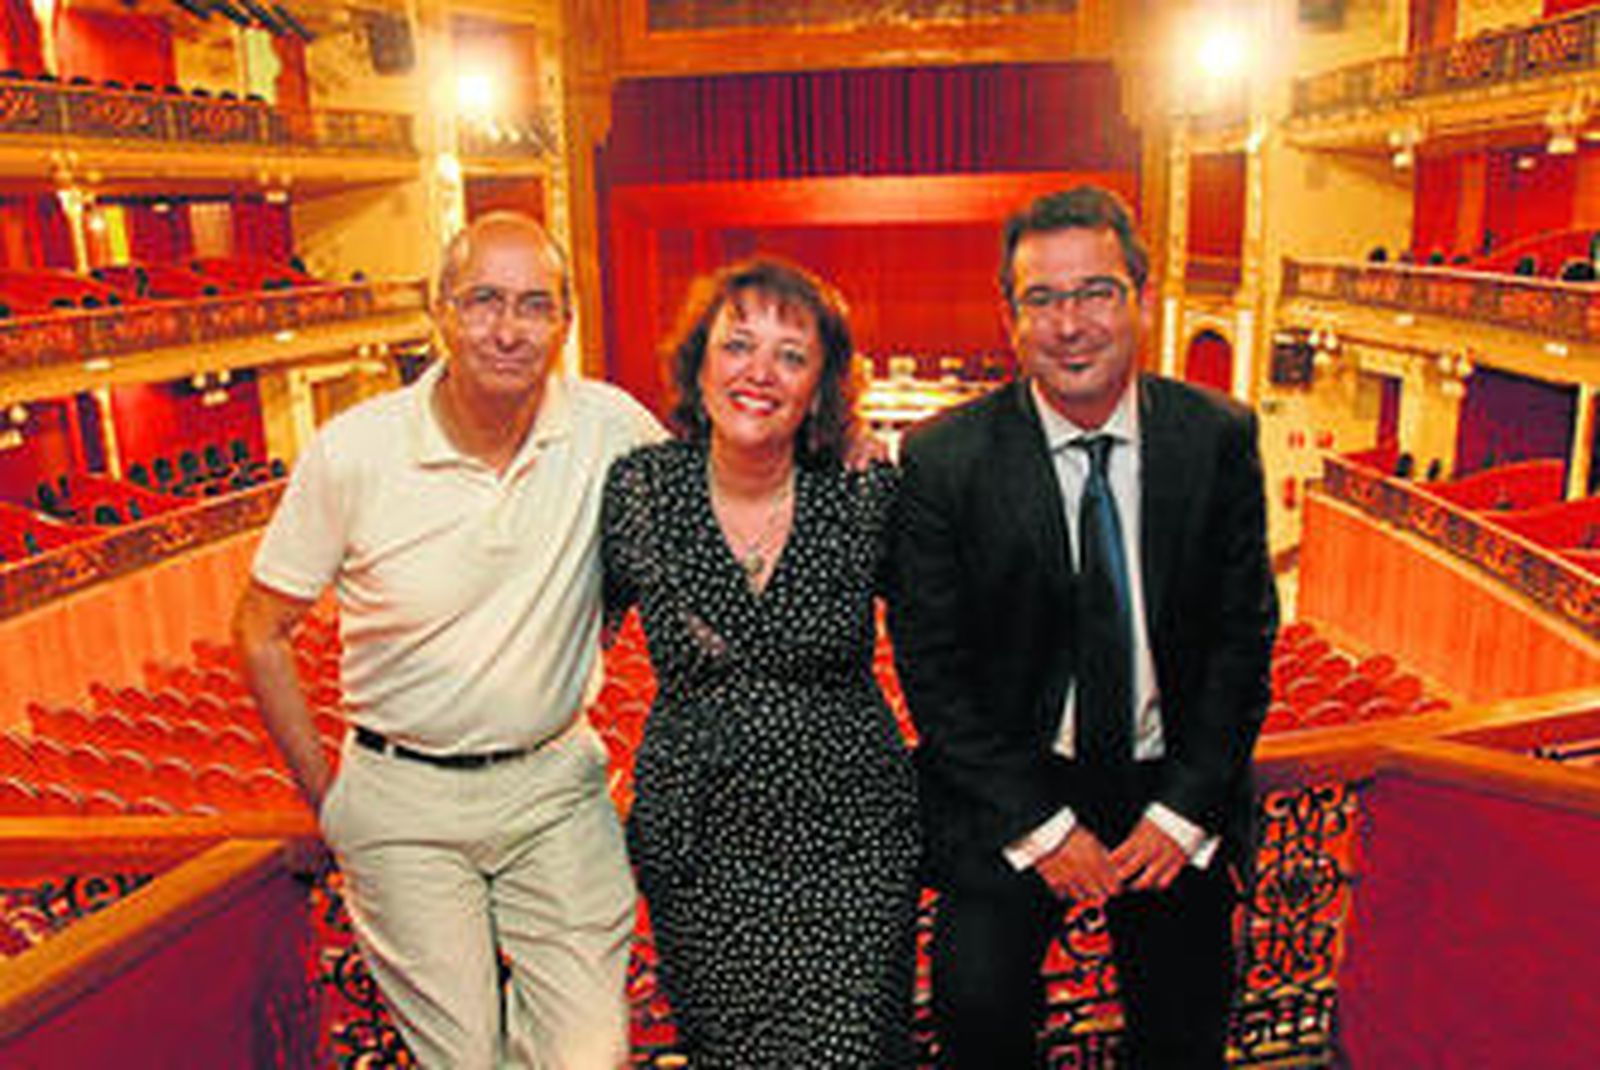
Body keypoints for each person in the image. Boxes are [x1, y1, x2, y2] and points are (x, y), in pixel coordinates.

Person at [233, 212, 659, 1069]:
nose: (508, 329)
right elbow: (259, 629)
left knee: (588, 1053)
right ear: (441, 311)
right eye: (484, 302)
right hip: (402, 802)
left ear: (566, 322)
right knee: (462, 1059)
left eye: (535, 305)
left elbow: (720, 504)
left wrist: (844, 447)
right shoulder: (355, 450)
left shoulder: (611, 426)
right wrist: (333, 801)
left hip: (555, 790)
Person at [888, 186, 1278, 1068]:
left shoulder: (1216, 436)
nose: (1071, 324)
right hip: (1015, 788)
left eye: (1095, 291)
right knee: (976, 1016)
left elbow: (1242, 639)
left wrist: (1183, 812)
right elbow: (935, 672)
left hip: (1170, 782)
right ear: (1009, 318)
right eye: (1043, 299)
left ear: (1138, 295)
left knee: (1184, 1031)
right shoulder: (945, 460)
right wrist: (1042, 827)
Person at [600, 258, 920, 1067]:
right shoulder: (639, 487)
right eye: (738, 343)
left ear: (820, 384)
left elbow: (945, 642)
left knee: (848, 1050)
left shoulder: (863, 492)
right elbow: (568, 634)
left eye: (791, 354)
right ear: (698, 359)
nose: (760, 372)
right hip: (700, 841)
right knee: (732, 1055)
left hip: (851, 835)